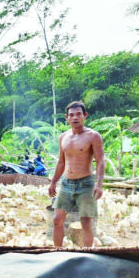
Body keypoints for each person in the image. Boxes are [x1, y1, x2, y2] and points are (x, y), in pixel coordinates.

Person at [48, 101, 104, 247]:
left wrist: (99, 184)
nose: (75, 118)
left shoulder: (93, 136)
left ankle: (86, 256)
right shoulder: (63, 137)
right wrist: (54, 181)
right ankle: (57, 252)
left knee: (86, 222)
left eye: (78, 114)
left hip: (86, 183)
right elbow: (61, 162)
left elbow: (100, 161)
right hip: (67, 183)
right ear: (67, 118)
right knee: (57, 219)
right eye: (71, 115)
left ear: (85, 115)